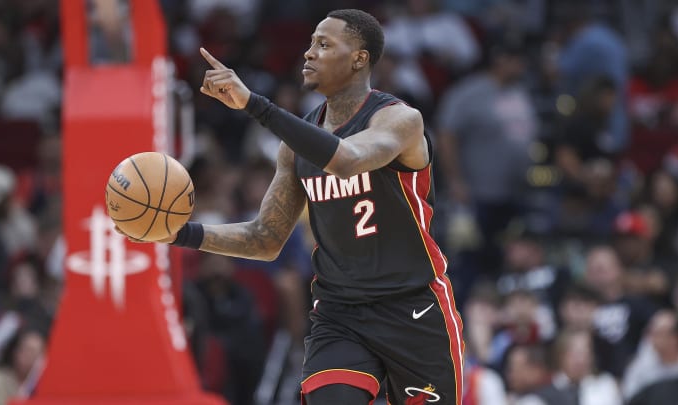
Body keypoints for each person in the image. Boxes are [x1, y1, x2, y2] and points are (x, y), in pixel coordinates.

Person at [118, 9, 463, 405]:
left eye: (324, 44)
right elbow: (264, 239)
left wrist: (254, 105)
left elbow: (347, 159)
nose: (308, 53)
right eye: (310, 42)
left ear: (359, 58)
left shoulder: (400, 120)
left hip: (412, 309)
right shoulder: (296, 145)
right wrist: (178, 233)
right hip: (341, 314)